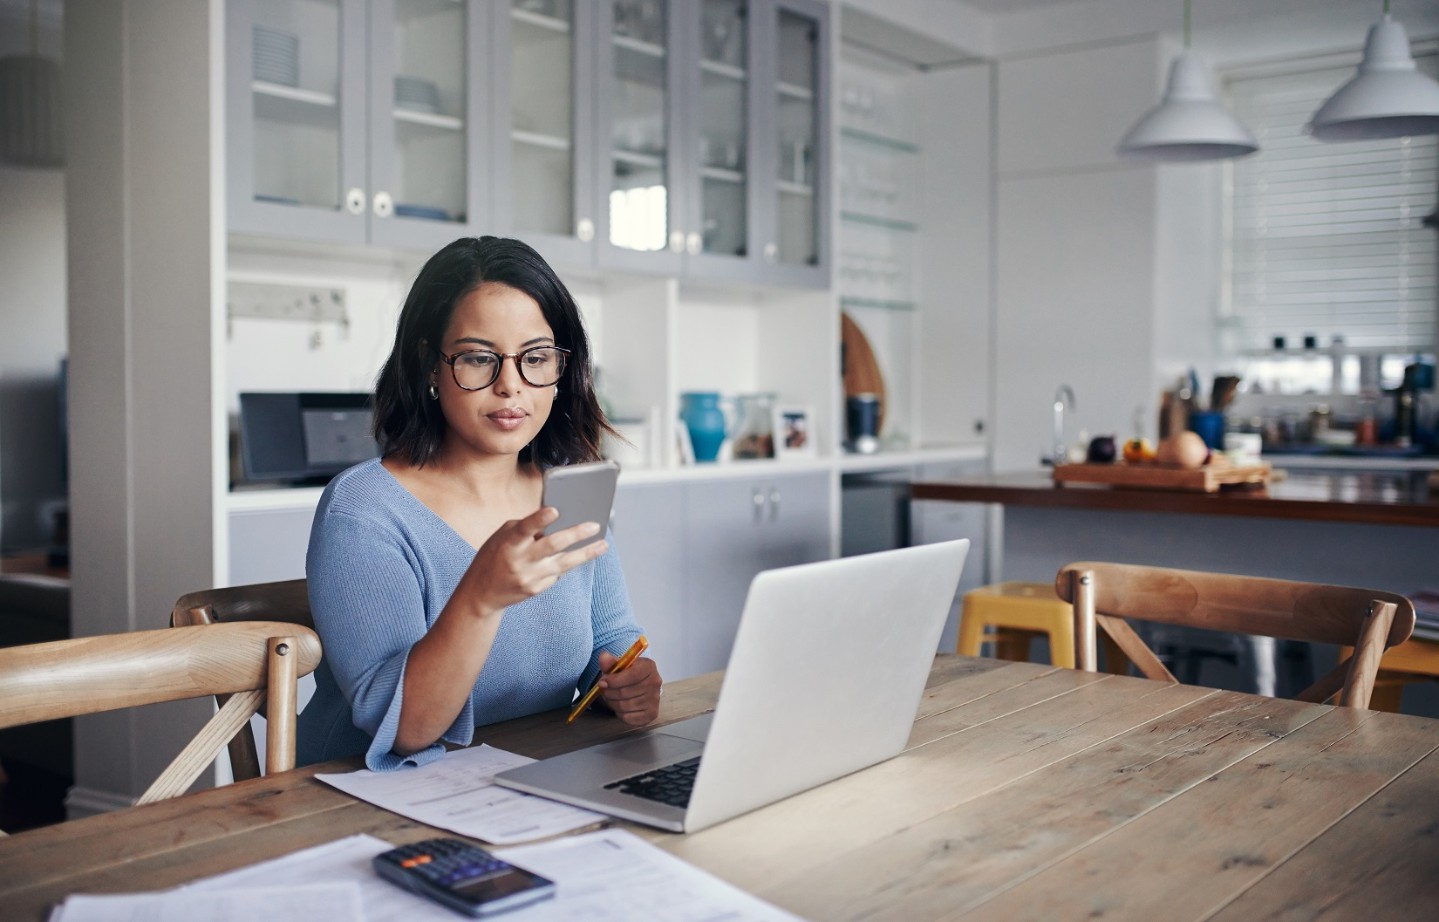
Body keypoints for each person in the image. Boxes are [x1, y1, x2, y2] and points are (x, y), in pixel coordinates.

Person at [298, 236, 662, 771]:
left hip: (525, 779)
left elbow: (609, 640)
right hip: (361, 805)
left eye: (536, 358)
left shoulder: (567, 489)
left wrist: (626, 681)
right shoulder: (364, 508)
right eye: (478, 358)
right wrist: (481, 598)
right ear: (429, 365)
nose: (511, 386)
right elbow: (404, 731)